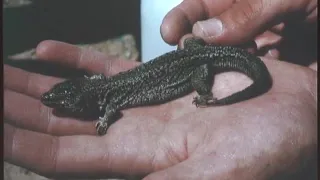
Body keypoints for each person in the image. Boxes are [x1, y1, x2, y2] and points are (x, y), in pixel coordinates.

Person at [4, 0, 317, 179]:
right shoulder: (101, 88)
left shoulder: (106, 97)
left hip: (201, 62)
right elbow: (100, 91)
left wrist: (102, 122)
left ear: (84, 97)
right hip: (199, 55)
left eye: (65, 101)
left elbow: (109, 109)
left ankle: (208, 93)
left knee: (199, 73)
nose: (56, 102)